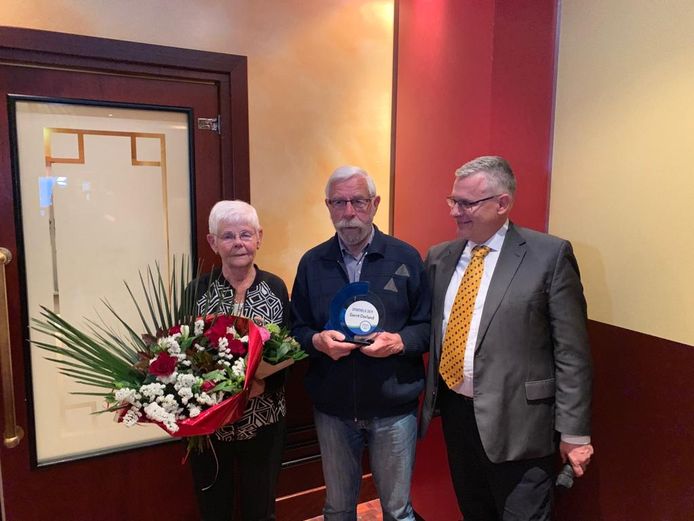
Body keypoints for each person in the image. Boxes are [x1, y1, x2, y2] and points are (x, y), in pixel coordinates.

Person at [419, 156, 594, 520]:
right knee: (474, 511)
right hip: (457, 417)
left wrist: (575, 433)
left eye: (467, 203)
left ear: (502, 203)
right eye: (453, 201)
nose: (455, 211)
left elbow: (572, 352)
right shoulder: (440, 257)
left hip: (522, 427)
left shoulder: (549, 255)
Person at [291, 165, 430, 521]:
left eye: (358, 201)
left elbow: (427, 326)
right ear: (328, 206)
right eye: (339, 202)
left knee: (398, 510)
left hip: (394, 410)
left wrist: (398, 342)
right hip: (333, 410)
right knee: (337, 509)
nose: (348, 212)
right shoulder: (312, 263)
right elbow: (297, 328)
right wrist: (317, 341)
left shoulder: (406, 258)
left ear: (375, 203)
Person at [188, 200, 289, 521]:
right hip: (209, 426)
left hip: (263, 420)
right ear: (212, 242)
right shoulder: (196, 291)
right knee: (214, 508)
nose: (238, 243)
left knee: (260, 508)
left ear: (259, 237)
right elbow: (182, 353)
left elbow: (287, 353)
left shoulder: (275, 288)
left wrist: (258, 384)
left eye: (245, 234)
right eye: (228, 235)